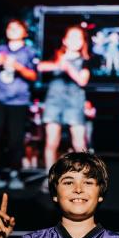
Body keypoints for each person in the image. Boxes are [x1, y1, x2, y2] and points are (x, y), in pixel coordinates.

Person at [0, 19, 38, 191]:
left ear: (25, 33)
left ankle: (14, 173)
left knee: (16, 139)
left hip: (19, 100)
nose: (12, 30)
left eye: (17, 28)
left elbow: (34, 77)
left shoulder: (29, 51)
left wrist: (19, 67)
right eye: (9, 27)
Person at [38, 26, 91, 171]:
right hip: (54, 103)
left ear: (82, 42)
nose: (75, 41)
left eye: (78, 38)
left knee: (79, 144)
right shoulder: (55, 57)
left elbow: (82, 81)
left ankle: (84, 179)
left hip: (74, 104)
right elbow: (39, 67)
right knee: (51, 143)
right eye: (71, 37)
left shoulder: (85, 61)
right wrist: (56, 64)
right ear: (65, 41)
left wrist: (67, 66)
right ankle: (50, 179)